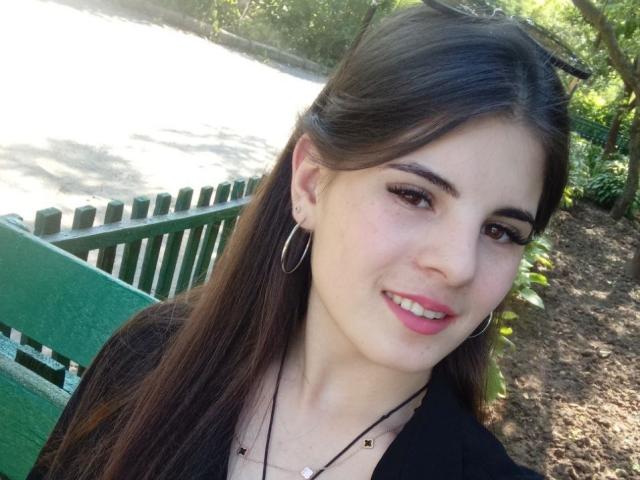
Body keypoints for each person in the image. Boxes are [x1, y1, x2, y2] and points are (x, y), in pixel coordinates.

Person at [28, 1, 583, 479]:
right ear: (312, 184)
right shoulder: (148, 362)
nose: (459, 264)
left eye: (501, 231)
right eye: (415, 196)